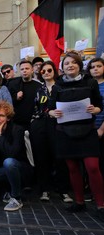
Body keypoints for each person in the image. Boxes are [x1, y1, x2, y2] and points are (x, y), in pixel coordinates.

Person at [49, 51, 104, 220]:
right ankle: (79, 201)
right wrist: (53, 112)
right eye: (66, 63)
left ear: (79, 65)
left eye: (73, 62)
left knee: (93, 167)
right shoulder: (57, 85)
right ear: (62, 68)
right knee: (72, 168)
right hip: (65, 132)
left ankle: (101, 205)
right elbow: (49, 109)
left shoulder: (91, 83)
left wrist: (95, 110)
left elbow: (99, 105)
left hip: (87, 130)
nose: (70, 65)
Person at [30, 61, 73, 203]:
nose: (47, 73)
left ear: (54, 71)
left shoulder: (61, 88)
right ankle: (44, 189)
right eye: (43, 71)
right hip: (41, 128)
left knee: (60, 158)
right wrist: (48, 113)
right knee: (42, 159)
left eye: (49, 70)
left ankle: (63, 190)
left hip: (59, 127)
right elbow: (36, 109)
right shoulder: (38, 90)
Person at [7, 60, 42, 130]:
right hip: (17, 123)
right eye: (22, 69)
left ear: (32, 70)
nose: (24, 71)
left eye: (27, 68)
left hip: (33, 122)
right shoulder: (13, 84)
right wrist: (16, 98)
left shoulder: (39, 86)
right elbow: (7, 101)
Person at [88, 58, 104, 177]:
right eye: (92, 67)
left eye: (98, 66)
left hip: (101, 128)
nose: (95, 69)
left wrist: (102, 129)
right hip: (89, 130)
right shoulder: (87, 86)